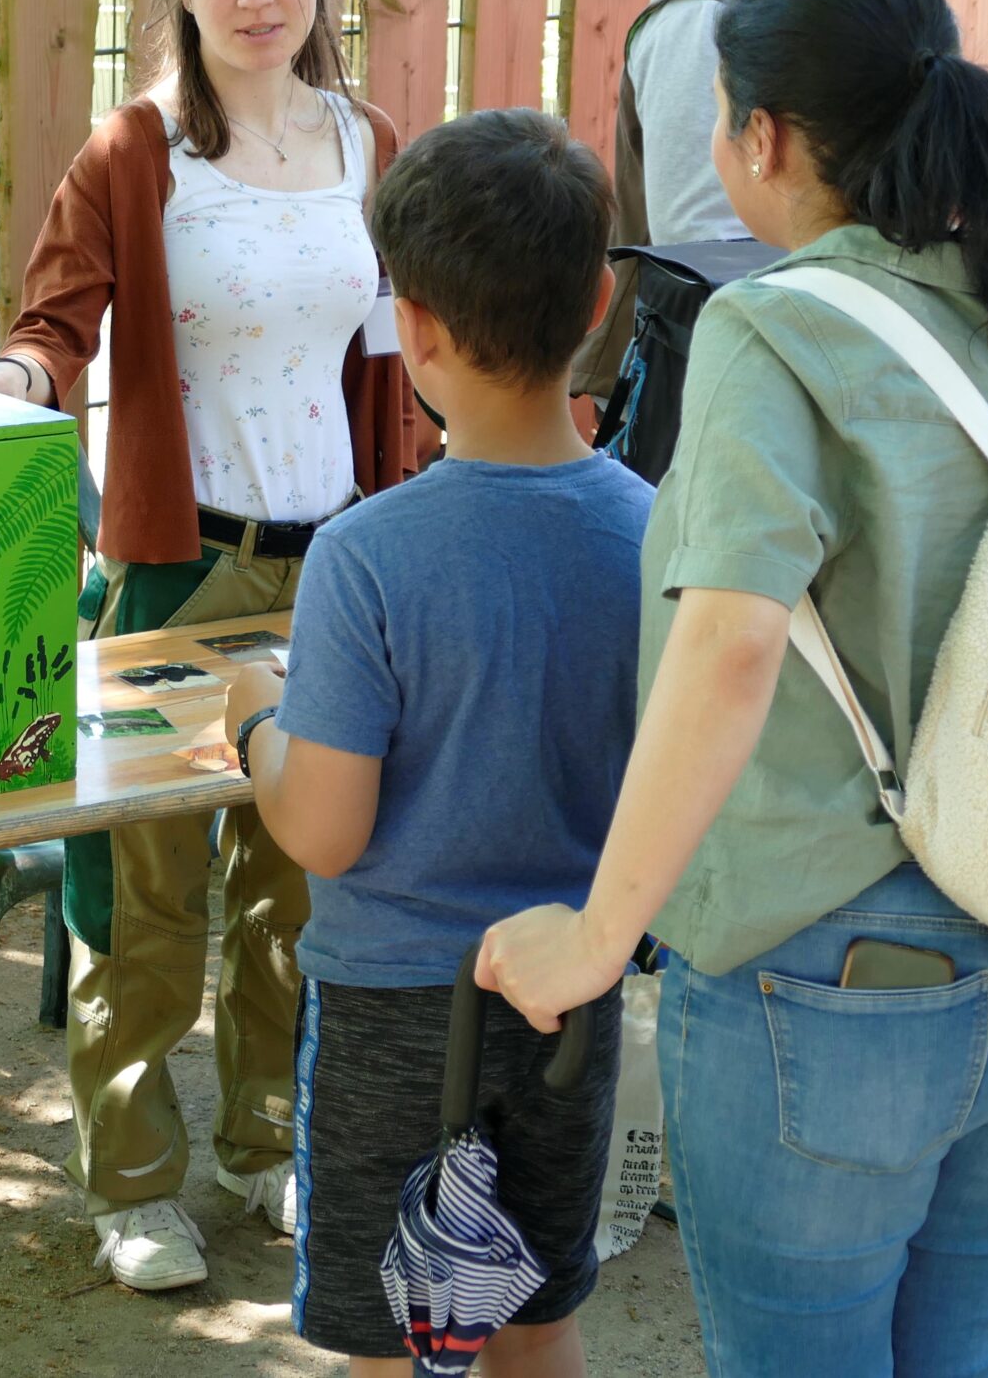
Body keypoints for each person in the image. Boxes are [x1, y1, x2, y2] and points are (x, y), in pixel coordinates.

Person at [478, 0, 988, 1375]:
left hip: (834, 977)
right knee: (969, 1340)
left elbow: (732, 640)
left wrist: (601, 933)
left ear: (768, 136)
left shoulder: (774, 327)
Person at [0, 0, 418, 1291]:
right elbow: (52, 324)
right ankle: (135, 1180)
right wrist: (14, 380)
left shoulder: (367, 140)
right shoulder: (138, 150)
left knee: (300, 885)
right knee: (142, 897)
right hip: (179, 572)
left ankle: (268, 1147)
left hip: (340, 575)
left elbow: (396, 356)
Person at [222, 109, 649, 1378]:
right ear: (594, 297)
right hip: (576, 995)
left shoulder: (367, 555)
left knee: (391, 1346)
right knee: (535, 1323)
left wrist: (255, 726)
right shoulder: (657, 533)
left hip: (394, 1013)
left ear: (412, 328)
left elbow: (324, 827)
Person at [567, 0, 896, 413]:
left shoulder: (791, 11)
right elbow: (696, 238)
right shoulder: (697, 19)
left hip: (785, 341)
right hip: (708, 361)